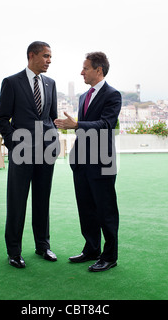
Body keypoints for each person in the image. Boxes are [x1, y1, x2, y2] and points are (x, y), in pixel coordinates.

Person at [55, 52, 122, 272]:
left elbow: (105, 125)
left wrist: (75, 125)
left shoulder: (113, 95)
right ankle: (91, 249)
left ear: (98, 70)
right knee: (86, 208)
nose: (81, 72)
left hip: (102, 162)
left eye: (85, 68)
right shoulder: (83, 96)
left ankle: (109, 256)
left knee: (106, 210)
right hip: (81, 162)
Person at [0, 41, 60, 268]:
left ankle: (43, 246)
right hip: (21, 153)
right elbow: (2, 119)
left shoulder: (51, 84)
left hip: (46, 152)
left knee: (43, 200)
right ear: (31, 55)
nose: (49, 61)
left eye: (50, 57)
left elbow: (51, 118)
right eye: (45, 56)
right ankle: (14, 251)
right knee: (17, 201)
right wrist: (15, 144)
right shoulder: (11, 83)